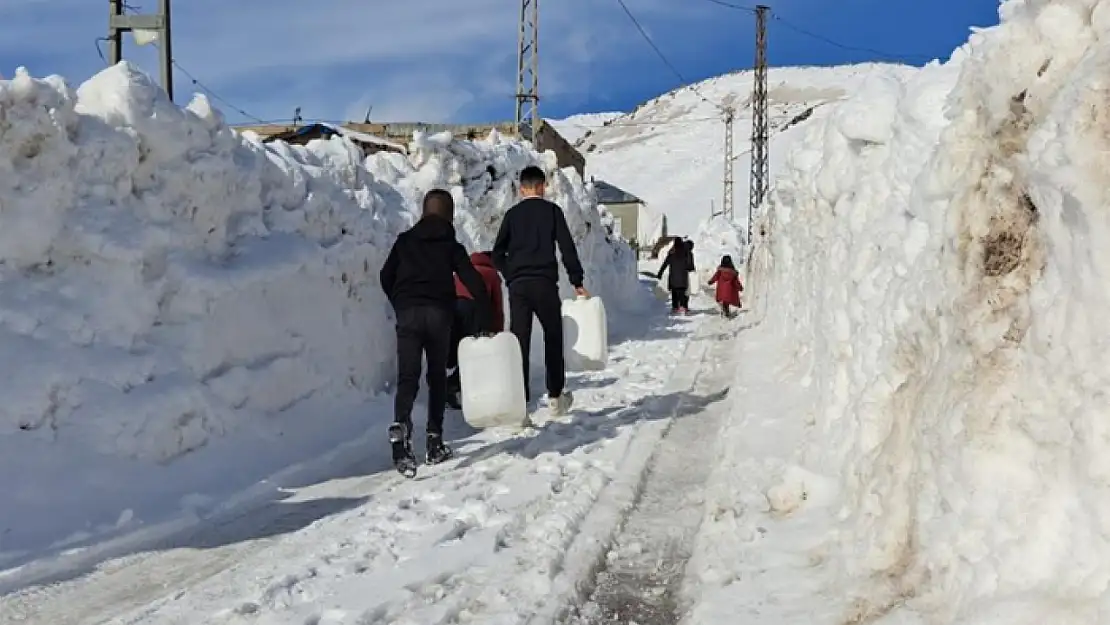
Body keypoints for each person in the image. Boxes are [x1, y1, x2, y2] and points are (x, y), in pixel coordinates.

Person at [379, 189, 493, 477]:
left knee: (408, 376)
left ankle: (401, 427)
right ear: (449, 214)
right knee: (437, 376)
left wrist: (400, 301)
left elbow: (385, 275)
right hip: (439, 315)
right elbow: (475, 283)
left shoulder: (404, 241)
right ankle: (434, 440)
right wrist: (485, 318)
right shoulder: (451, 246)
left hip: (408, 314)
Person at [492, 165, 588, 416]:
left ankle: (520, 403)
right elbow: (567, 248)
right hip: (545, 284)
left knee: (519, 342)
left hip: (519, 287)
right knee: (553, 337)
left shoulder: (512, 216)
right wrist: (577, 280)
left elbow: (497, 253)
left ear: (522, 189)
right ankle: (555, 397)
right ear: (542, 186)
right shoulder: (553, 212)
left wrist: (511, 274)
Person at [446, 250, 504, 409]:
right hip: (475, 311)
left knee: (457, 350)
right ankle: (452, 385)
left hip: (453, 310)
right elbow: (496, 306)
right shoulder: (491, 274)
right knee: (474, 353)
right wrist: (498, 332)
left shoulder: (460, 271)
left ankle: (443, 386)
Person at [656, 238, 693, 314]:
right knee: (682, 293)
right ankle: (683, 307)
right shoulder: (686, 253)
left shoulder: (671, 252)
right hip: (683, 278)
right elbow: (690, 265)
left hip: (673, 278)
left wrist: (660, 273)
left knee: (674, 293)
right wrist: (690, 269)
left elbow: (665, 264)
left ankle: (675, 307)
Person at [708, 254, 743, 318]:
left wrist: (711, 281)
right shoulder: (733, 273)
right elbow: (736, 282)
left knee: (723, 302)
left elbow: (715, 277)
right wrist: (740, 287)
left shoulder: (720, 271)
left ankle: (725, 312)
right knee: (726, 302)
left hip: (721, 291)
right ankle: (726, 312)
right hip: (729, 292)